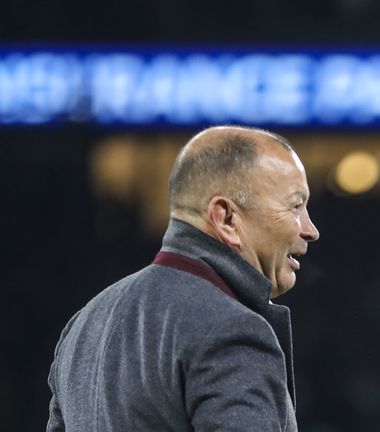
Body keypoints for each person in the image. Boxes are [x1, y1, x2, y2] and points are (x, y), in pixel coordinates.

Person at [46, 126, 319, 431]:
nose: (310, 230)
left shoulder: (84, 324)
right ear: (227, 218)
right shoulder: (232, 330)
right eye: (295, 206)